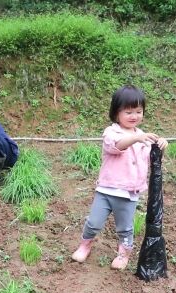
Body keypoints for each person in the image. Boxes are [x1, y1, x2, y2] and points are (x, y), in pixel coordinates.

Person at [71, 85, 168, 270]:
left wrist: (163, 145)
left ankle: (123, 254)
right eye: (129, 111)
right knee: (93, 222)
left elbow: (152, 156)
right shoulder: (111, 132)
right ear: (117, 113)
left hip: (128, 193)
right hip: (106, 190)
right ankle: (85, 245)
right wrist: (137, 139)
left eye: (139, 111)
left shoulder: (143, 136)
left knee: (125, 228)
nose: (134, 116)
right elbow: (116, 146)